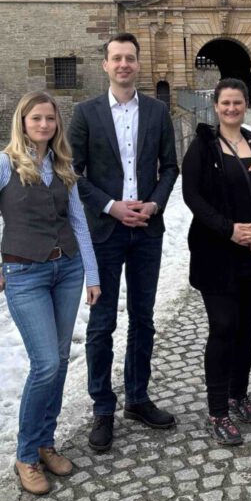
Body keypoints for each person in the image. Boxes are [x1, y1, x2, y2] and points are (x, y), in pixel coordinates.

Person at [0, 91, 100, 495]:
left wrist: (92, 274)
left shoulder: (61, 164)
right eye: (36, 118)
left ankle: (45, 442)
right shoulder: (2, 164)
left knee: (60, 360)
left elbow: (78, 222)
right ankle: (25, 455)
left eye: (50, 119)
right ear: (22, 122)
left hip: (68, 269)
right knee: (45, 364)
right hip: (25, 274)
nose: (43, 125)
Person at [69, 33, 180, 453]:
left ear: (138, 63)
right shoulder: (86, 113)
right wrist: (112, 206)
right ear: (105, 65)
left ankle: (137, 397)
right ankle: (102, 408)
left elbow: (170, 167)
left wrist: (154, 204)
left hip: (147, 230)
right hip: (106, 231)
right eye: (116, 58)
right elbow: (73, 173)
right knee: (101, 324)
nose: (123, 64)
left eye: (130, 58)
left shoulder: (157, 111)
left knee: (143, 317)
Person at [182, 78, 251, 445]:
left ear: (246, 104)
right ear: (216, 106)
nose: (231, 108)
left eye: (238, 102)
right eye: (225, 103)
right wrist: (228, 230)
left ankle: (238, 393)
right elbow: (192, 196)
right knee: (223, 326)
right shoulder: (203, 146)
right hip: (216, 252)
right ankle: (218, 411)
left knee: (246, 326)